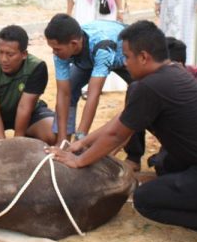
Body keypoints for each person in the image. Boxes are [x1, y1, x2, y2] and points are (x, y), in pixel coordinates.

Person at [48, 21, 197, 242]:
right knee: (165, 165)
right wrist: (83, 142)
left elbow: (116, 136)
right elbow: (121, 121)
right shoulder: (173, 73)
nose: (124, 62)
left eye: (127, 56)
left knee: (146, 201)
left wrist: (79, 160)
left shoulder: (150, 87)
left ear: (143, 57)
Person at [43, 14, 146, 169]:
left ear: (74, 43)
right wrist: (62, 140)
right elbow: (63, 93)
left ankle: (134, 156)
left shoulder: (102, 46)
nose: (54, 53)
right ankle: (65, 140)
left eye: (57, 49)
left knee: (138, 97)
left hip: (123, 56)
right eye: (52, 49)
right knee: (70, 88)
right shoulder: (61, 51)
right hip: (88, 60)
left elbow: (93, 93)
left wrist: (81, 139)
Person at [148, 37, 197, 174]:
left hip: (195, 133)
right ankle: (133, 157)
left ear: (178, 64)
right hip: (168, 127)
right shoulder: (152, 80)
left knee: (169, 167)